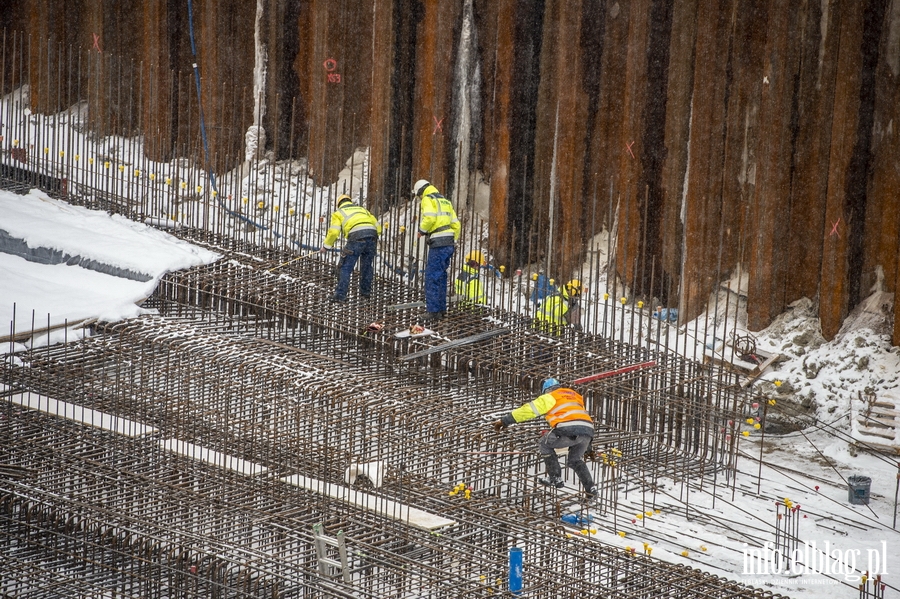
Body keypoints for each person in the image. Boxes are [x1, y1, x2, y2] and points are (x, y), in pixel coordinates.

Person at [493, 378, 597, 498]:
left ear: (546, 390)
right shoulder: (575, 396)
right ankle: (591, 489)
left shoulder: (550, 396)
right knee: (575, 460)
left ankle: (555, 477)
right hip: (588, 432)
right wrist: (588, 448)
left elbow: (528, 410)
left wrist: (505, 421)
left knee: (545, 444)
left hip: (567, 429)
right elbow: (580, 421)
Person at [413, 179, 460, 322]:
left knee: (432, 276)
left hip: (438, 242)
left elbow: (430, 217)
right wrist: (454, 240)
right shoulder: (445, 201)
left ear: (420, 192)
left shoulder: (428, 199)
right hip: (449, 243)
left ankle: (433, 311)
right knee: (441, 276)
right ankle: (440, 309)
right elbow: (456, 224)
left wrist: (421, 230)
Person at [321, 194, 381, 302]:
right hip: (372, 236)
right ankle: (365, 293)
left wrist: (326, 246)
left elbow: (334, 232)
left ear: (339, 204)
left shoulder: (338, 213)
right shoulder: (362, 210)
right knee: (366, 266)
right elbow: (378, 227)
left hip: (356, 237)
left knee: (345, 267)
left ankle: (340, 295)